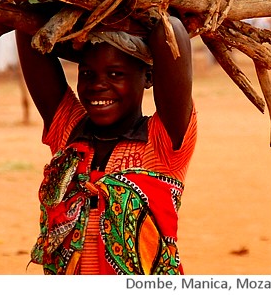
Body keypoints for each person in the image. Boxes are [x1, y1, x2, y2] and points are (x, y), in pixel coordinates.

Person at [15, 15, 196, 275]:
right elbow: (26, 27)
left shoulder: (163, 143)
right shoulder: (68, 133)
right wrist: (78, 16)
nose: (97, 85)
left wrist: (126, 7)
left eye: (115, 74)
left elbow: (170, 30)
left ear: (148, 77)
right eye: (87, 73)